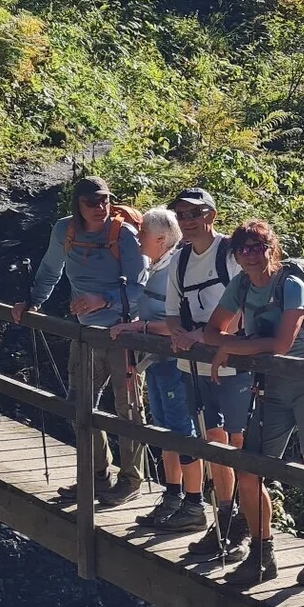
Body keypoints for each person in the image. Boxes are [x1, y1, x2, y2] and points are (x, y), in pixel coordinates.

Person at [201, 221, 304, 590]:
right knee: (250, 468)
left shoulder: (291, 285)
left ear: (273, 248)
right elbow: (211, 331)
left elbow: (284, 343)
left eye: (259, 246)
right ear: (236, 255)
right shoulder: (240, 284)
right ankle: (261, 552)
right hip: (271, 388)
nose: (252, 254)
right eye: (244, 248)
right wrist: (231, 344)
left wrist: (232, 346)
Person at [12, 175, 147, 505]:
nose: (101, 208)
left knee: (127, 408)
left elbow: (141, 287)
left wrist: (104, 300)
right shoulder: (65, 231)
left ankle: (131, 480)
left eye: (105, 200)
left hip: (121, 333)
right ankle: (97, 475)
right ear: (78, 204)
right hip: (84, 332)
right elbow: (50, 267)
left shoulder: (124, 234)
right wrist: (32, 301)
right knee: (78, 404)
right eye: (92, 203)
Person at [110, 207, 209, 532]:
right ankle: (173, 496)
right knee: (164, 430)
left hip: (175, 364)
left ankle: (193, 505)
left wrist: (139, 328)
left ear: (162, 239)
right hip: (156, 362)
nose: (139, 240)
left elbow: (176, 325)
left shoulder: (174, 271)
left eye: (144, 235)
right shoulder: (158, 266)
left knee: (181, 431)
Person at [163, 189, 247, 561]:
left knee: (238, 447)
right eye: (181, 215)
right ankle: (225, 521)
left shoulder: (230, 253)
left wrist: (208, 335)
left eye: (194, 213)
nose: (187, 221)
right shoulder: (179, 260)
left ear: (211, 215)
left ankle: (245, 527)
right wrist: (180, 333)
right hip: (192, 366)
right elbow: (170, 311)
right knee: (213, 443)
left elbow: (246, 304)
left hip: (232, 365)